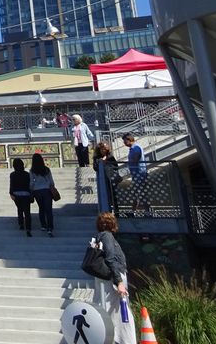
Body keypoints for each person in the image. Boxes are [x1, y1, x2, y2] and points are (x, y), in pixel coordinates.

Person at [93, 211, 137, 344]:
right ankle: (124, 340)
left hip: (105, 278)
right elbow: (110, 259)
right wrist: (119, 282)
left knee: (109, 309)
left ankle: (110, 337)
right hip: (113, 278)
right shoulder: (107, 236)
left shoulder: (98, 237)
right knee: (121, 312)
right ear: (112, 223)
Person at [29, 152, 56, 236]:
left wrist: (31, 191)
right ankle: (50, 227)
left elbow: (31, 183)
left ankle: (43, 225)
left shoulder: (32, 170)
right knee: (48, 210)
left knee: (41, 208)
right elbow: (51, 181)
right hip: (47, 191)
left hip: (37, 191)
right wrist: (52, 188)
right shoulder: (46, 169)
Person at [122, 132, 149, 213]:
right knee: (137, 193)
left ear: (129, 140)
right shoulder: (133, 148)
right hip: (136, 174)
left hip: (139, 174)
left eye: (125, 141)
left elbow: (135, 159)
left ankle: (146, 212)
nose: (124, 143)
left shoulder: (136, 148)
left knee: (141, 194)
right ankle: (133, 211)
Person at [9, 158, 33, 236]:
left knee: (19, 209)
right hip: (26, 194)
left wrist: (11, 193)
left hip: (16, 194)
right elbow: (29, 185)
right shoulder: (27, 174)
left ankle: (21, 224)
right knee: (27, 211)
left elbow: (12, 185)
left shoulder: (12, 174)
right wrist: (31, 194)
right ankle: (28, 227)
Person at [93, 141, 120, 210]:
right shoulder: (96, 158)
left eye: (105, 149)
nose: (103, 150)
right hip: (102, 179)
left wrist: (107, 162)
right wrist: (100, 162)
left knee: (113, 196)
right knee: (104, 195)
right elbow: (95, 168)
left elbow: (116, 166)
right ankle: (106, 211)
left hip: (111, 179)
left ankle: (116, 211)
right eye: (102, 149)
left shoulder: (110, 156)